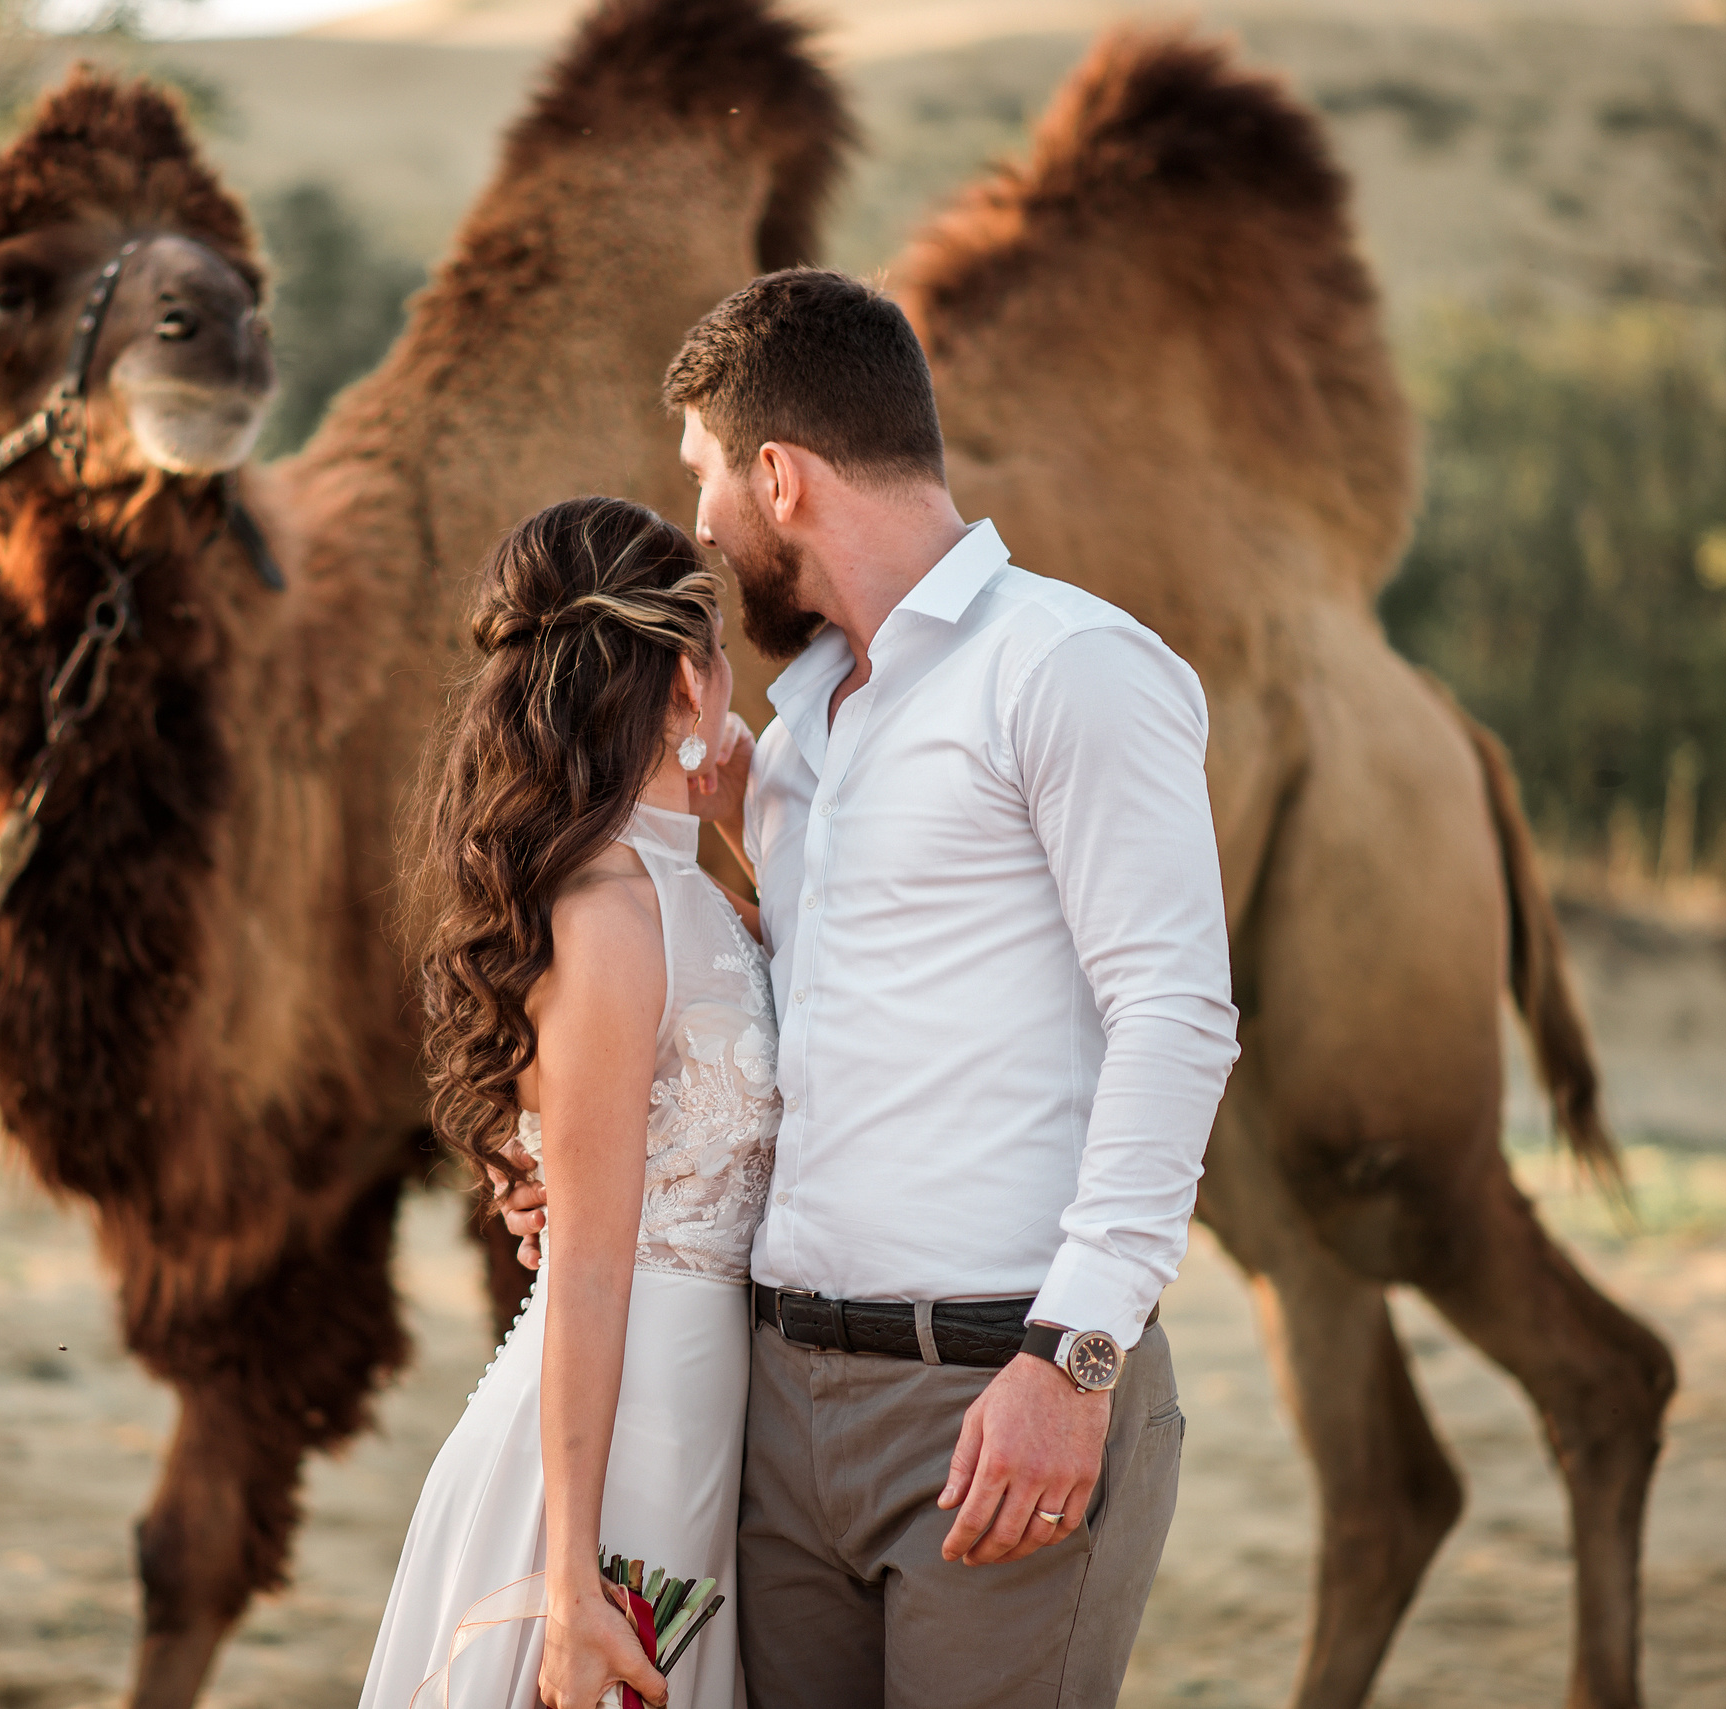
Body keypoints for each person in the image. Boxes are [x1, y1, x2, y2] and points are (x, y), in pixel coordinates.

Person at [502, 268, 1240, 1707]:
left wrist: (1075, 1357)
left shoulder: (1069, 667)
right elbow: (818, 1032)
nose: (700, 531)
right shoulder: (794, 741)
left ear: (777, 476)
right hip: (777, 1409)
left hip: (996, 1389)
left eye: (705, 482)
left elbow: (1177, 1013)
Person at [358, 496, 779, 1709]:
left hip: (695, 1412)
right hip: (623, 1433)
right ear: (687, 681)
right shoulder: (609, 912)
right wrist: (570, 1579)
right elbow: (589, 1268)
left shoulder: (686, 891)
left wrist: (746, 828)